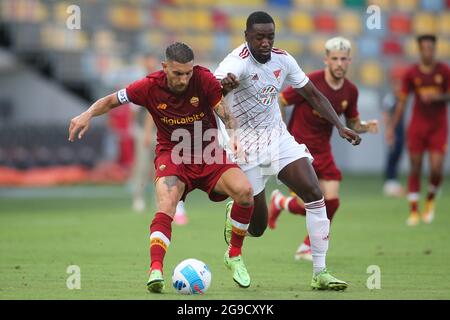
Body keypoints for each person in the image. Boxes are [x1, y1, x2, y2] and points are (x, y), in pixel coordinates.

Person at [69, 42, 255, 292]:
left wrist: (233, 135)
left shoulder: (204, 79)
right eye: (178, 73)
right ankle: (155, 269)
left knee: (245, 192)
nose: (184, 79)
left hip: (209, 153)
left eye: (188, 73)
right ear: (165, 67)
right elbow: (112, 100)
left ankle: (234, 255)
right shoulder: (147, 86)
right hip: (173, 154)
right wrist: (87, 114)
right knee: (167, 205)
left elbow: (224, 111)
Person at [215, 12, 361, 291]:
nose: (265, 42)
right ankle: (236, 217)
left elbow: (313, 95)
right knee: (257, 228)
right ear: (246, 36)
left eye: (270, 36)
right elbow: (211, 88)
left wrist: (340, 126)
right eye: (259, 37)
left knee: (314, 193)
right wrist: (222, 87)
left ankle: (320, 272)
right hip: (243, 146)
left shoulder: (283, 59)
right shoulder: (236, 62)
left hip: (277, 139)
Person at [266, 37, 378, 261]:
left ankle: (307, 246)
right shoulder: (310, 82)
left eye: (343, 59)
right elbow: (281, 99)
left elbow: (353, 123)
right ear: (326, 60)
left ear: (349, 62)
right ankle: (281, 202)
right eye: (334, 58)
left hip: (323, 151)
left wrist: (365, 127)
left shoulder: (350, 91)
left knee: (332, 202)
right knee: (307, 205)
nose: (339, 63)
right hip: (298, 151)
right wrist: (281, 129)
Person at [387, 35, 450, 226]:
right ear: (419, 50)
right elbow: (402, 102)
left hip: (438, 126)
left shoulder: (444, 71)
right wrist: (391, 126)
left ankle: (430, 199)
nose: (428, 52)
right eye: (424, 48)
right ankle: (414, 211)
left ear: (434, 49)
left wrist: (436, 97)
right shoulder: (411, 73)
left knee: (437, 168)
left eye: (431, 48)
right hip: (417, 126)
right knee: (415, 166)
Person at [129, 52, 189, 224]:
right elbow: (140, 112)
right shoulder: (142, 84)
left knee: (163, 168)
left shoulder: (164, 84)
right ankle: (139, 198)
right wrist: (140, 131)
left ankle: (164, 202)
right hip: (145, 132)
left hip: (163, 132)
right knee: (142, 166)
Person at [381, 69, 406, 198]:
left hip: (400, 130)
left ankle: (393, 182)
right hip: (394, 130)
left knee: (398, 154)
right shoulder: (390, 99)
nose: (398, 86)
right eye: (396, 83)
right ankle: (389, 183)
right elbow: (386, 115)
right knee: (392, 155)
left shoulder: (400, 98)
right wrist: (389, 131)